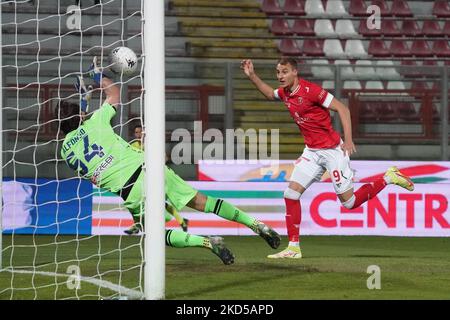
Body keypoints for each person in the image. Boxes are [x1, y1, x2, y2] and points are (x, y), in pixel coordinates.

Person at [56, 57, 281, 265]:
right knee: (202, 202)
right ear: (80, 117)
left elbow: (80, 140)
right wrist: (98, 76)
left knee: (156, 233)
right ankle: (256, 224)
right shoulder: (97, 121)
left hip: (129, 190)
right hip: (149, 169)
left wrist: (83, 111)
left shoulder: (66, 152)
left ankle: (207, 242)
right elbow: (114, 94)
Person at [241, 57, 414, 259]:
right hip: (311, 153)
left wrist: (348, 140)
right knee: (290, 195)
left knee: (349, 203)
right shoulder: (286, 93)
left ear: (295, 72)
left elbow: (343, 109)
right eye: (278, 73)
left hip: (333, 151)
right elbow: (270, 94)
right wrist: (252, 75)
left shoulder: (312, 91)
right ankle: (293, 248)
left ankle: (388, 177)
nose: (280, 76)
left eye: (284, 72)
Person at [129, 123, 189, 232]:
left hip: (155, 177)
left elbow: (165, 158)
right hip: (141, 178)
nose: (139, 134)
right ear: (134, 134)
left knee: (157, 201)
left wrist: (156, 165)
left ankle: (138, 225)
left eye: (140, 132)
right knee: (144, 201)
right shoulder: (132, 145)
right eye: (136, 132)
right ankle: (181, 220)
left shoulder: (151, 144)